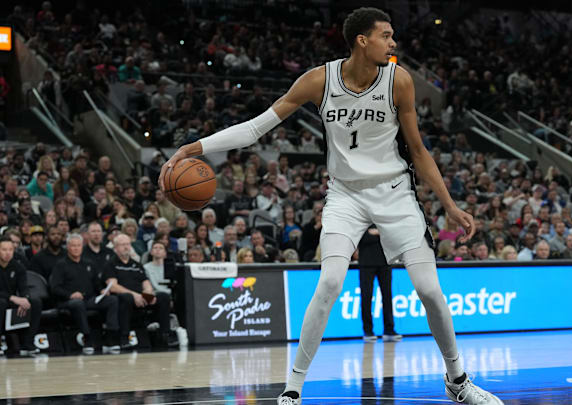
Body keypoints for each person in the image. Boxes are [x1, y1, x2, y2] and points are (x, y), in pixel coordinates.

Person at [159, 7, 499, 405]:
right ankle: (293, 390)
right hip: (345, 195)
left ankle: (458, 381)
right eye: (386, 36)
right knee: (330, 282)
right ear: (362, 40)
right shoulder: (319, 80)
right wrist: (193, 147)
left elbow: (419, 152)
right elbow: (255, 129)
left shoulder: (399, 80)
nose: (393, 43)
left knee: (429, 289)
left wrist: (450, 206)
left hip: (394, 191)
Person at [50, 233, 121, 354]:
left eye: (79, 245)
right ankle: (87, 338)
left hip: (89, 299)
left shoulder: (89, 263)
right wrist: (70, 295)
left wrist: (102, 290)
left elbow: (96, 283)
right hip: (68, 301)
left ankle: (110, 338)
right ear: (68, 247)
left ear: (82, 247)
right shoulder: (60, 265)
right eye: (73, 246)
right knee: (77, 303)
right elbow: (55, 288)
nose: (76, 248)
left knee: (112, 300)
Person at [103, 234, 176, 347]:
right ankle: (125, 337)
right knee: (126, 297)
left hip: (140, 296)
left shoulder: (136, 265)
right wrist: (135, 295)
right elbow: (113, 286)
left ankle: (165, 335)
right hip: (125, 296)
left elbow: (146, 284)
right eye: (123, 245)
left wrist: (148, 294)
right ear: (115, 247)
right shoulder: (111, 264)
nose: (126, 247)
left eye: (128, 244)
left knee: (163, 297)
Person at [0, 236, 43, 356]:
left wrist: (25, 299)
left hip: (10, 299)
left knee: (35, 302)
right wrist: (13, 298)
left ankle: (28, 344)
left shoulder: (18, 266)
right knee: (1, 303)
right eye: (4, 249)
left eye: (10, 249)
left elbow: (24, 288)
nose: (7, 253)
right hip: (5, 299)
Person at [358, 226, 401, 342]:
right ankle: (368, 331)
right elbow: (361, 238)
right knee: (366, 297)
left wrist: (377, 233)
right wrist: (381, 233)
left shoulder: (384, 218)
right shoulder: (362, 219)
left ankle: (389, 329)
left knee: (387, 296)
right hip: (366, 263)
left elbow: (393, 236)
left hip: (385, 262)